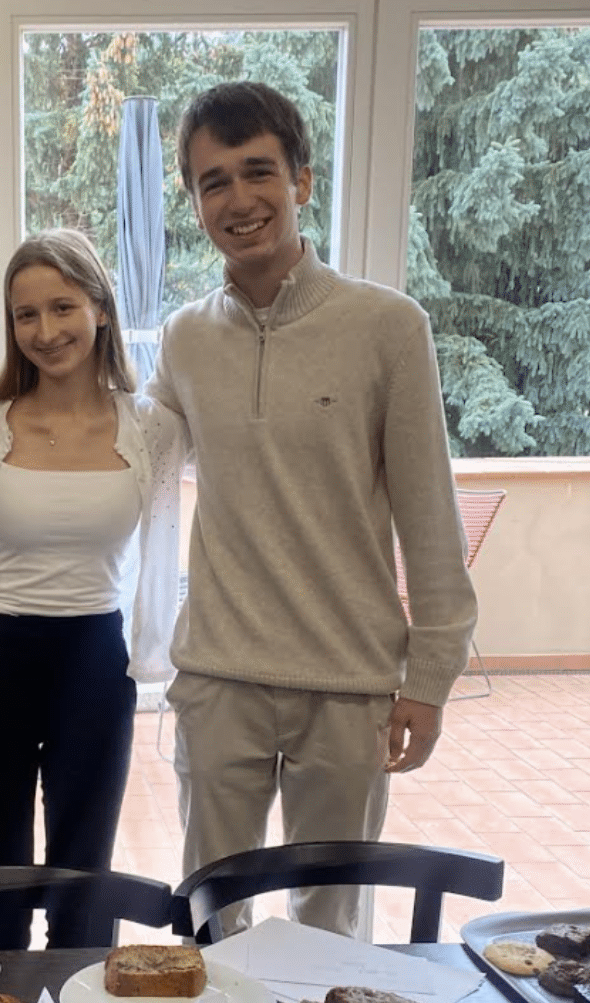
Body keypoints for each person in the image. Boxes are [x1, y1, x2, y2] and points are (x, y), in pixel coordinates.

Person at [147, 81, 478, 939]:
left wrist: (431, 678)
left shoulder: (389, 327)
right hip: (219, 677)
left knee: (331, 931)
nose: (238, 199)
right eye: (212, 181)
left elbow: (429, 520)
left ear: (301, 180)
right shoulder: (183, 339)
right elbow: (125, 456)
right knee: (210, 920)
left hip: (350, 682)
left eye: (258, 172)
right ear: (193, 201)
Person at [0, 229, 187, 950]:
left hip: (94, 659)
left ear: (101, 309)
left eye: (62, 308)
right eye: (26, 315)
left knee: (86, 879)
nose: (45, 332)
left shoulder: (152, 427)